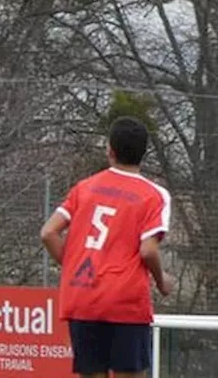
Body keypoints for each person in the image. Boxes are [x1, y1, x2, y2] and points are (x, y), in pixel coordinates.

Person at [40, 116, 173, 378]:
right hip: (124, 301)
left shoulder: (84, 188)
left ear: (110, 150)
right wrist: (161, 280)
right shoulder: (154, 195)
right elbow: (148, 250)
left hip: (82, 297)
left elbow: (48, 232)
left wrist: (73, 267)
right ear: (143, 153)